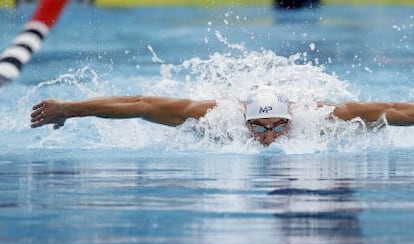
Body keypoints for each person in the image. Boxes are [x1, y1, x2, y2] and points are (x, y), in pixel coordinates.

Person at [30, 85, 414, 146]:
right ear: (244, 120)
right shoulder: (214, 116)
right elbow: (141, 105)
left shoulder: (323, 116)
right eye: (259, 128)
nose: (268, 138)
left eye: (279, 127)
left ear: (292, 119)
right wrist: (70, 109)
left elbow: (397, 111)